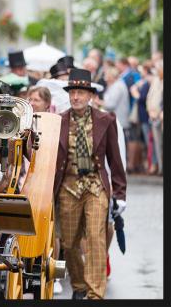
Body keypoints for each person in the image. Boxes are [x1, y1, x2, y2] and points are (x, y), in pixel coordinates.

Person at [53, 68, 127, 299]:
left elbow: (115, 159)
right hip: (67, 186)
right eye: (73, 92)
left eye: (81, 93)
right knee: (69, 241)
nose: (76, 97)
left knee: (96, 238)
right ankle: (79, 285)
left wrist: (120, 193)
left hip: (95, 186)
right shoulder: (59, 121)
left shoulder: (106, 120)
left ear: (91, 96)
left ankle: (96, 293)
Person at [146, 59, 163, 175]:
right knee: (158, 144)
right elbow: (149, 98)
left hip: (161, 116)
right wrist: (150, 111)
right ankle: (161, 168)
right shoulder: (156, 80)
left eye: (158, 69)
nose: (156, 71)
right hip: (153, 117)